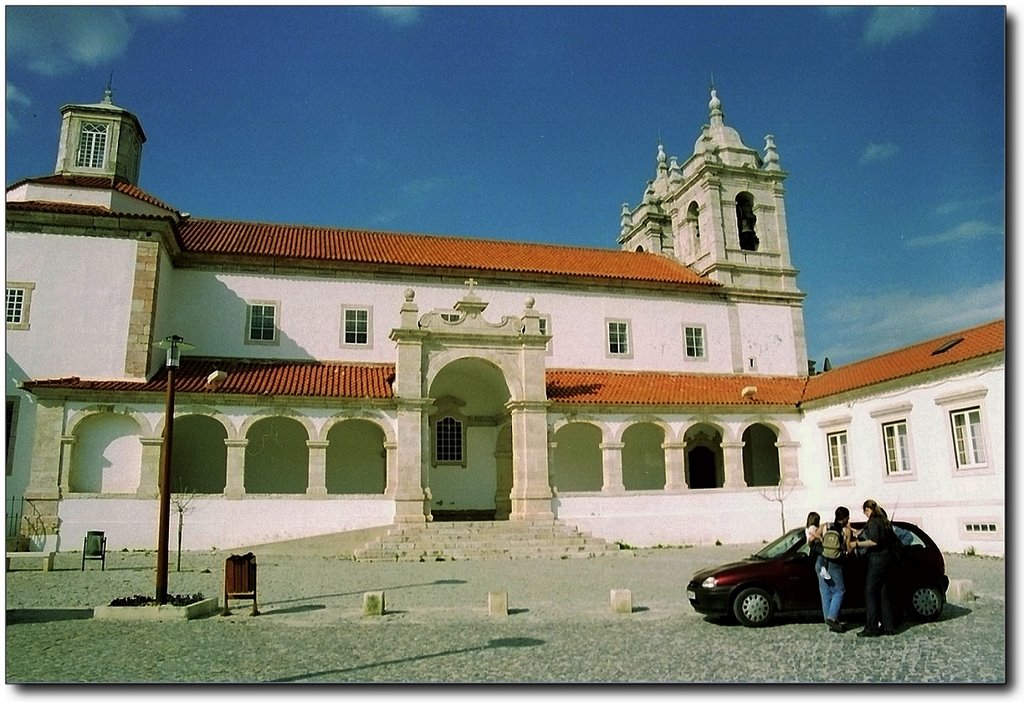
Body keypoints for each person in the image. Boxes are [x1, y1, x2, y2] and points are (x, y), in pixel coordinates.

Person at [853, 499, 897, 636]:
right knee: (884, 593)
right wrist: (856, 531)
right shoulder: (884, 520)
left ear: (868, 509)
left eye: (865, 512)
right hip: (887, 559)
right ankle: (888, 626)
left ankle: (872, 627)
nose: (865, 515)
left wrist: (857, 544)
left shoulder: (873, 521)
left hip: (877, 560)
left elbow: (873, 541)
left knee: (869, 592)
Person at [818, 506, 854, 633]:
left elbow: (816, 538)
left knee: (826, 592)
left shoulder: (826, 526)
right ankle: (832, 618)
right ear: (844, 518)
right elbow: (849, 549)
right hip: (835, 563)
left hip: (823, 561)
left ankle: (829, 621)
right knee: (839, 591)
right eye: (847, 517)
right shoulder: (846, 530)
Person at [805, 512, 830, 584]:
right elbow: (814, 534)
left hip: (814, 546)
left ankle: (823, 569)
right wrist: (820, 537)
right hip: (815, 545)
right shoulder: (812, 527)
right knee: (824, 553)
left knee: (823, 555)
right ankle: (823, 570)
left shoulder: (809, 528)